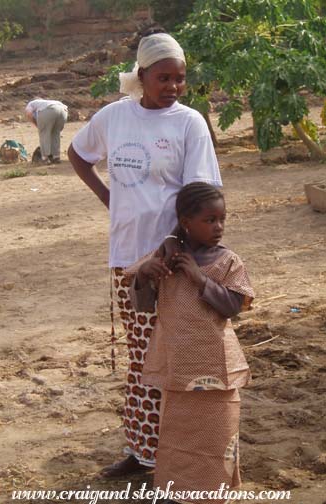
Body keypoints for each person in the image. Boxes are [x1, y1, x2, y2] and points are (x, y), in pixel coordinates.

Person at [68, 32, 222, 477]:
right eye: (163, 77)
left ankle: (173, 453)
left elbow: (201, 195)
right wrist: (109, 200)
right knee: (141, 358)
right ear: (142, 75)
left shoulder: (188, 122)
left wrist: (172, 247)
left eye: (180, 78)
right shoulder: (114, 117)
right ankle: (143, 452)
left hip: (173, 262)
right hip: (128, 260)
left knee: (170, 358)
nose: (173, 86)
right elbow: (79, 155)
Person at [128, 182, 254, 504]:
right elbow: (143, 304)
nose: (219, 227)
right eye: (209, 220)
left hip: (216, 366)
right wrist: (144, 274)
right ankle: (177, 492)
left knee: (217, 433)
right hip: (178, 365)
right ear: (185, 221)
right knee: (177, 434)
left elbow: (233, 307)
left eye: (222, 219)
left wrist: (200, 279)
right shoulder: (167, 257)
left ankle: (214, 492)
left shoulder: (227, 262)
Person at [25, 98, 68, 164]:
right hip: (63, 110)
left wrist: (36, 124)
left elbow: (29, 114)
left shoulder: (31, 103)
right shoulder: (47, 102)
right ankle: (56, 157)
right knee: (56, 133)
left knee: (44, 134)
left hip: (49, 110)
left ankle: (45, 158)